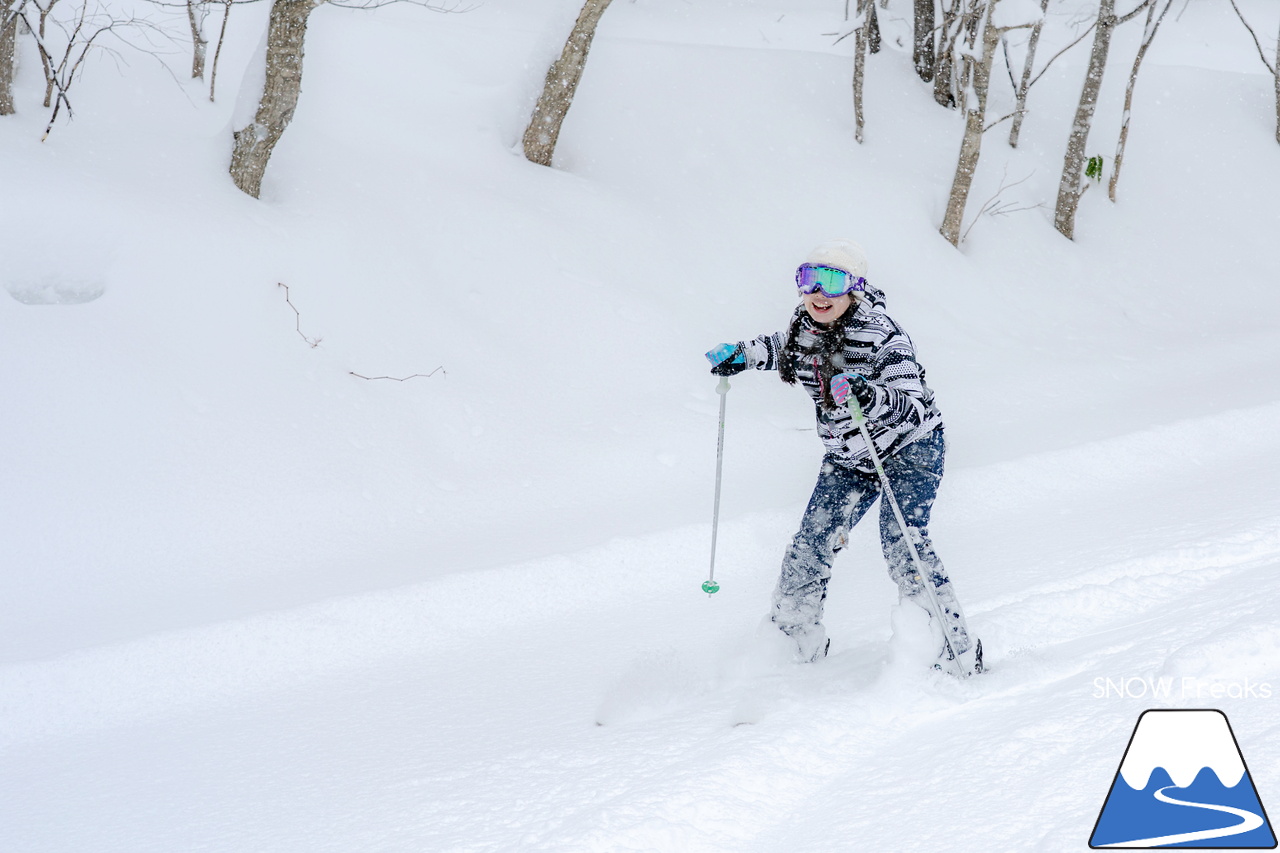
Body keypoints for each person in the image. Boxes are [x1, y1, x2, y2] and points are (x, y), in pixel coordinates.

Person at [705, 239, 982, 676]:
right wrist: (741, 355)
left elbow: (911, 406)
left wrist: (868, 395)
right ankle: (792, 639)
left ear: (854, 287)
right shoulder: (804, 328)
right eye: (808, 278)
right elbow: (780, 347)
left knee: (902, 541)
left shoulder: (883, 334)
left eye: (832, 280)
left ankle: (950, 648)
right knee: (812, 542)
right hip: (850, 456)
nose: (818, 293)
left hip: (909, 449)